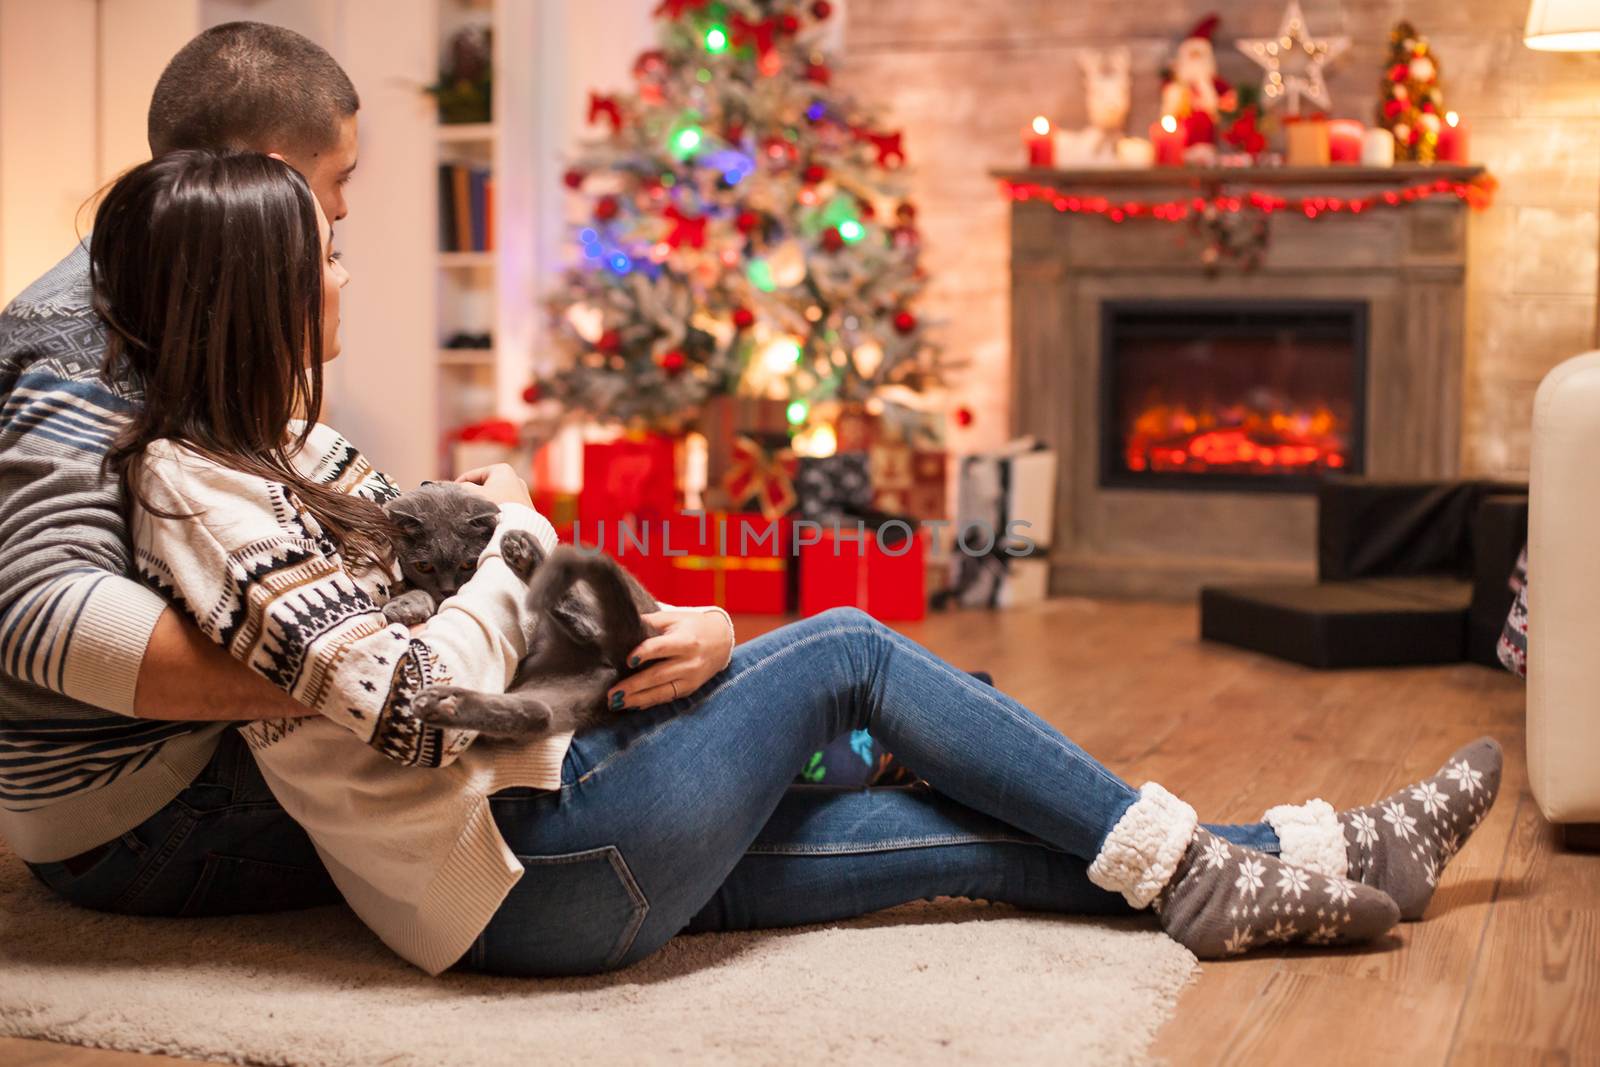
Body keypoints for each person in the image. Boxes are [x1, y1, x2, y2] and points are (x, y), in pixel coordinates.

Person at [88, 145, 1504, 975]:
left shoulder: (285, 448)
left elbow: (473, 615)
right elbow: (407, 704)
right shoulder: (197, 494)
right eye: (322, 249)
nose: (344, 271)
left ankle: (1304, 858)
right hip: (531, 864)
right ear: (251, 286)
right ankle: (1223, 869)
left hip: (553, 838)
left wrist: (661, 624)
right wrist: (517, 538)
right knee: (848, 647)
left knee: (986, 849)